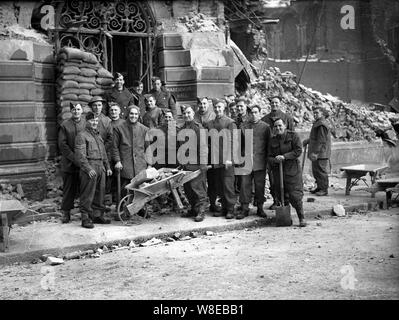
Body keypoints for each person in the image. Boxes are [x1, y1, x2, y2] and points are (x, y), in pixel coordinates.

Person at [75, 111, 113, 228]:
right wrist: (88, 168)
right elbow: (80, 155)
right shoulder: (81, 135)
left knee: (100, 192)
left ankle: (97, 216)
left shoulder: (98, 135)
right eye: (92, 120)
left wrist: (107, 167)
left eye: (96, 121)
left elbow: (104, 153)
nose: (94, 123)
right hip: (90, 167)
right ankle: (85, 218)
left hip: (100, 166)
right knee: (88, 193)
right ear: (86, 122)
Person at [268, 118, 306, 227]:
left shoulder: (293, 136)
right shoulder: (272, 140)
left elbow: (298, 150)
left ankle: (301, 217)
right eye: (275, 126)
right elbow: (269, 156)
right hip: (278, 172)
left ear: (285, 126)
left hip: (292, 171)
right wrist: (274, 159)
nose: (278, 128)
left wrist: (285, 157)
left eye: (280, 125)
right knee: (281, 196)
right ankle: (286, 218)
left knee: (295, 195)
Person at [237, 105, 271, 219]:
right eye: (251, 113)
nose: (254, 115)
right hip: (246, 161)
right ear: (249, 114)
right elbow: (239, 144)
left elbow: (268, 145)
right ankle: (245, 208)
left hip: (260, 162)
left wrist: (268, 161)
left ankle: (260, 208)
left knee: (259, 186)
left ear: (260, 113)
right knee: (244, 185)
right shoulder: (243, 126)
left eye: (256, 112)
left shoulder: (266, 127)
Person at [262, 96, 294, 210]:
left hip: (285, 155)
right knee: (273, 179)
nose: (274, 105)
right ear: (270, 104)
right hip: (271, 153)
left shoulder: (287, 118)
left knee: (286, 179)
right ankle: (276, 201)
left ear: (280, 104)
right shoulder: (265, 119)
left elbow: (292, 136)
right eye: (272, 103)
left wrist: (289, 155)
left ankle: (286, 201)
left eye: (276, 103)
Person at [206, 99, 237, 219]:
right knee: (219, 185)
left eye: (219, 107)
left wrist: (230, 158)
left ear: (223, 108)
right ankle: (224, 208)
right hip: (216, 159)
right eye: (215, 107)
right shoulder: (211, 123)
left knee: (228, 184)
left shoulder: (230, 123)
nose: (217, 109)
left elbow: (234, 142)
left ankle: (230, 209)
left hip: (227, 160)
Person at [112, 105, 151, 198]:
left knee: (141, 190)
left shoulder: (144, 129)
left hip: (140, 164)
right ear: (127, 114)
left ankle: (141, 211)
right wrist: (117, 161)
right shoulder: (119, 128)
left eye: (136, 114)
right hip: (125, 165)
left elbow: (148, 148)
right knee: (125, 190)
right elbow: (114, 147)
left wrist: (149, 164)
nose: (133, 116)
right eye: (131, 114)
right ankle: (123, 210)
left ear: (138, 115)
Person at [178, 105, 209, 222]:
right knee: (188, 188)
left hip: (197, 164)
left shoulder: (198, 128)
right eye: (184, 113)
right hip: (186, 164)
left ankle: (201, 211)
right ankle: (193, 209)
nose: (186, 115)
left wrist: (203, 164)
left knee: (198, 188)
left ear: (193, 113)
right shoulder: (181, 129)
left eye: (188, 113)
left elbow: (203, 147)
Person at [58, 103, 86, 223]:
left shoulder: (86, 123)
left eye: (78, 109)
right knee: (69, 189)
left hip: (84, 163)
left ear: (82, 111)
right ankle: (66, 212)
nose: (76, 111)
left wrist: (83, 159)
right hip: (69, 163)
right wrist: (74, 158)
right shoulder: (65, 125)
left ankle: (85, 213)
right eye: (74, 109)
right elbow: (62, 144)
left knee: (85, 188)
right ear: (71, 111)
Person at [89, 96, 113, 205]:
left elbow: (110, 138)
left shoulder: (107, 120)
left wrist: (102, 149)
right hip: (90, 156)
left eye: (99, 105)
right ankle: (90, 209)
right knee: (90, 183)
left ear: (102, 106)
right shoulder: (87, 119)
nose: (97, 107)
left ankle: (100, 208)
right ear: (91, 107)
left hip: (104, 155)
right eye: (94, 105)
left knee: (103, 184)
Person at [302, 106, 331, 196]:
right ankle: (319, 187)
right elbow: (316, 137)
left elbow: (321, 140)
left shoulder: (321, 124)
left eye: (317, 113)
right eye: (314, 113)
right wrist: (308, 140)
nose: (314, 114)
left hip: (321, 153)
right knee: (316, 171)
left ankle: (324, 189)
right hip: (318, 152)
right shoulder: (318, 122)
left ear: (322, 113)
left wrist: (316, 152)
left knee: (321, 171)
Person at [107, 102, 124, 203]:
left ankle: (120, 200)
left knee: (121, 178)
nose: (113, 112)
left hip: (120, 153)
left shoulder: (123, 123)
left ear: (119, 111)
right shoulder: (107, 123)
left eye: (115, 110)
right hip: (108, 153)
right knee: (110, 178)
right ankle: (111, 200)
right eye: (112, 110)